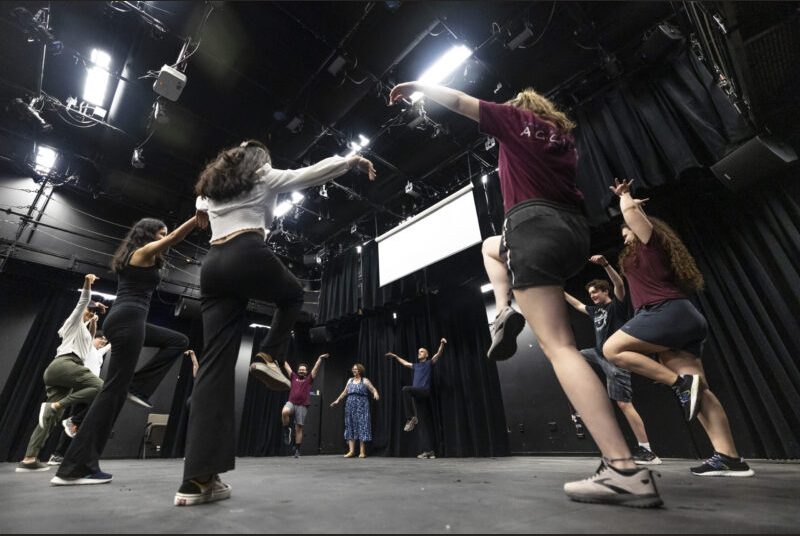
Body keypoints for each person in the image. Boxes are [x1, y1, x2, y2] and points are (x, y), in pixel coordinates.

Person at [388, 82, 661, 506]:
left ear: (518, 107)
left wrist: (420, 86)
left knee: (561, 348)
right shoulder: (563, 139)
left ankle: (622, 468)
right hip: (572, 232)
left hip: (531, 225)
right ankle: (503, 310)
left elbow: (461, 103)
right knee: (490, 248)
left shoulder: (516, 120)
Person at [174, 140, 376, 506]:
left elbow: (199, 205)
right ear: (257, 161)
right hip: (247, 251)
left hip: (213, 266)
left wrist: (202, 212)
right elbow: (310, 174)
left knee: (213, 368)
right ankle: (268, 355)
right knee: (294, 295)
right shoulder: (262, 175)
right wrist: (350, 161)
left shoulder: (212, 190)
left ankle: (196, 480)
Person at [602, 179, 753, 477]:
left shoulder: (651, 245)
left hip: (665, 313)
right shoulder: (644, 254)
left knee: (612, 349)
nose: (624, 239)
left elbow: (632, 217)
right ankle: (729, 457)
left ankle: (679, 384)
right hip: (682, 318)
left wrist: (625, 197)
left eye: (626, 234)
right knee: (701, 392)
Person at [52, 216, 198, 486]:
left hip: (131, 320)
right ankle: (74, 466)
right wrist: (197, 216)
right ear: (146, 234)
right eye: (159, 233)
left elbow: (168, 242)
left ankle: (138, 387)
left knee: (178, 341)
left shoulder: (142, 255)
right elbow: (176, 238)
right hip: (129, 319)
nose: (163, 238)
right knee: (113, 392)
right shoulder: (140, 252)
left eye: (164, 233)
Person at [563, 257, 661, 465]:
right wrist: (559, 292)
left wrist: (606, 265)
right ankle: (584, 398)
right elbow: (578, 305)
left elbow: (619, 284)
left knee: (624, 404)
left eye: (595, 292)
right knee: (574, 356)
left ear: (604, 291)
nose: (593, 296)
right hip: (599, 354)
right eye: (590, 294)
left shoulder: (616, 306)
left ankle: (647, 451)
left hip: (616, 359)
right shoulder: (595, 310)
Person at [16, 275, 106, 472]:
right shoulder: (73, 322)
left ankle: (29, 459)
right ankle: (58, 407)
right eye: (88, 312)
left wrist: (93, 320)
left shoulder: (82, 331)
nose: (89, 314)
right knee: (101, 387)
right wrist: (88, 283)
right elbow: (82, 303)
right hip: (66, 364)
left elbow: (87, 341)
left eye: (91, 313)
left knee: (50, 418)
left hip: (58, 371)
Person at [49, 329, 111, 466]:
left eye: (105, 341)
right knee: (99, 404)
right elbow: (89, 333)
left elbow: (109, 346)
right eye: (101, 339)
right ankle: (73, 423)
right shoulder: (87, 347)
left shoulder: (99, 353)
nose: (103, 342)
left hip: (90, 387)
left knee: (74, 425)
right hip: (84, 386)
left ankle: (58, 455)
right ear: (95, 338)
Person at [386, 338, 447, 459]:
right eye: (418, 351)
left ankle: (410, 418)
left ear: (426, 354)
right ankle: (429, 451)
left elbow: (439, 354)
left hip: (424, 391)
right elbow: (404, 363)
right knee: (423, 425)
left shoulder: (429, 363)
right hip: (418, 397)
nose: (419, 353)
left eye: (422, 351)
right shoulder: (416, 366)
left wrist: (442, 343)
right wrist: (395, 356)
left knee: (405, 389)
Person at [281, 353, 329, 458]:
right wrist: (281, 355)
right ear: (298, 370)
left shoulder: (309, 379)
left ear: (306, 372)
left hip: (302, 405)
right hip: (292, 402)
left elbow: (316, 368)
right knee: (284, 412)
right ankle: (286, 430)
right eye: (300, 369)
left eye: (303, 370)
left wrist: (320, 358)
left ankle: (297, 450)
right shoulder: (293, 377)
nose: (302, 371)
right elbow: (286, 366)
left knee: (298, 428)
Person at [330, 363, 379, 458]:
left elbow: (373, 389)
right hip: (350, 405)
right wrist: (337, 400)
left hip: (362, 406)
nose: (354, 370)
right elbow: (345, 392)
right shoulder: (350, 380)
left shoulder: (365, 381)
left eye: (355, 369)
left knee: (362, 426)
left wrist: (375, 394)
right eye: (353, 369)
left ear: (360, 370)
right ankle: (351, 451)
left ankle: (362, 452)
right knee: (350, 425)